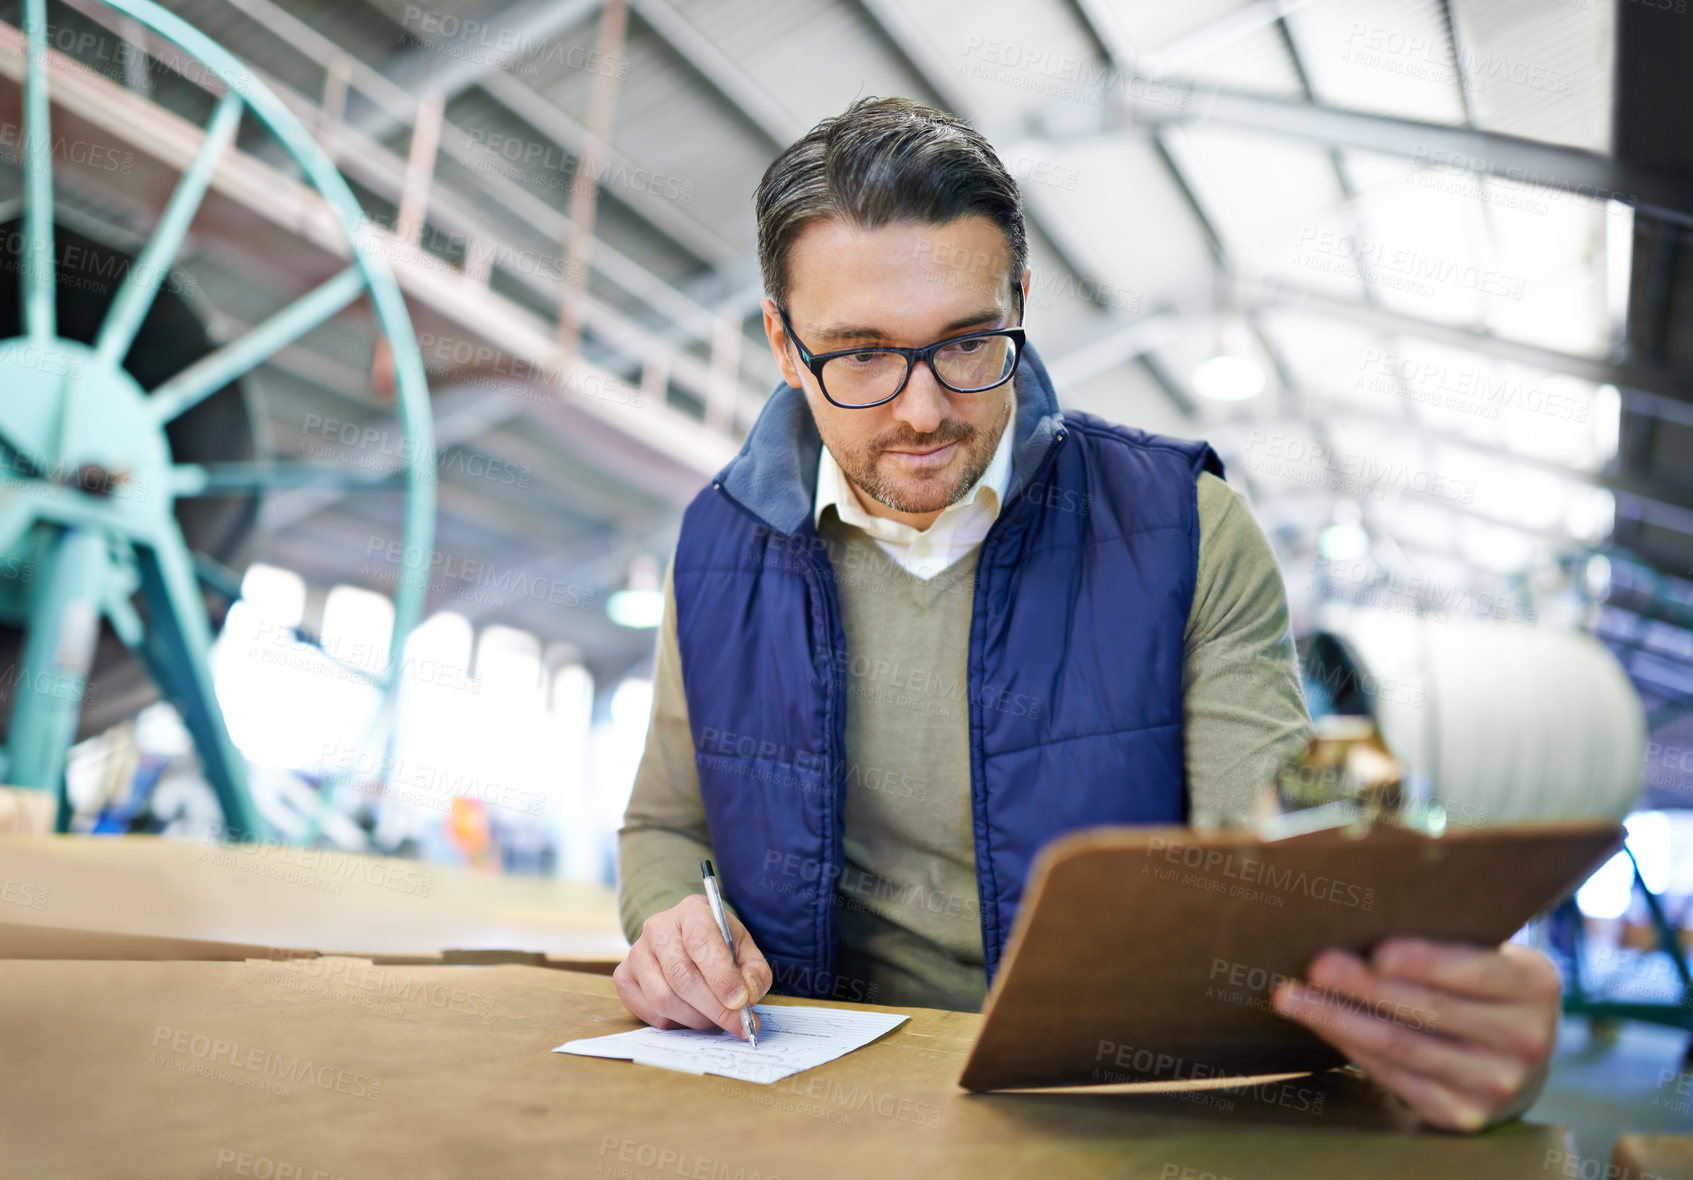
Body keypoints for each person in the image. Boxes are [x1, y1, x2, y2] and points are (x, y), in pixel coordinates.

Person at [613, 96, 1559, 1133]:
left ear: (1020, 296)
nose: (923, 409)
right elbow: (665, 821)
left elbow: (1289, 840)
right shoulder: (716, 549)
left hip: (1101, 1109)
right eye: (862, 355)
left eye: (969, 343)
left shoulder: (1186, 527)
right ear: (784, 345)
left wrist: (1435, 973)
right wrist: (668, 920)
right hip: (816, 1101)